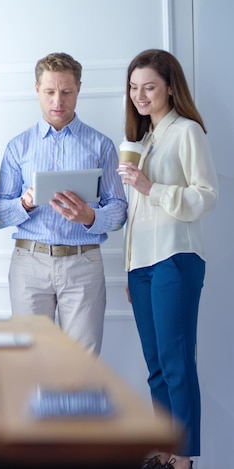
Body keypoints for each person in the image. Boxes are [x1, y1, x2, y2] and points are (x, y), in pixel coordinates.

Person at [121, 49, 218, 469]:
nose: (140, 95)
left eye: (149, 87)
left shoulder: (187, 132)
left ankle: (182, 457)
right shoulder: (143, 141)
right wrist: (129, 268)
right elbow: (136, 216)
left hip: (176, 260)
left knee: (177, 362)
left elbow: (206, 197)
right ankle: (164, 448)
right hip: (142, 266)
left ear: (169, 88)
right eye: (134, 87)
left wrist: (150, 187)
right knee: (156, 365)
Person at [0, 52, 127, 355]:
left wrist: (90, 216)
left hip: (83, 264)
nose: (58, 101)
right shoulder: (18, 146)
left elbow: (119, 211)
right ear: (36, 89)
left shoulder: (101, 145)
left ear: (79, 88)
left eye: (66, 92)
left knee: (81, 364)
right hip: (29, 264)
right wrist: (24, 204)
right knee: (30, 360)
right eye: (50, 92)